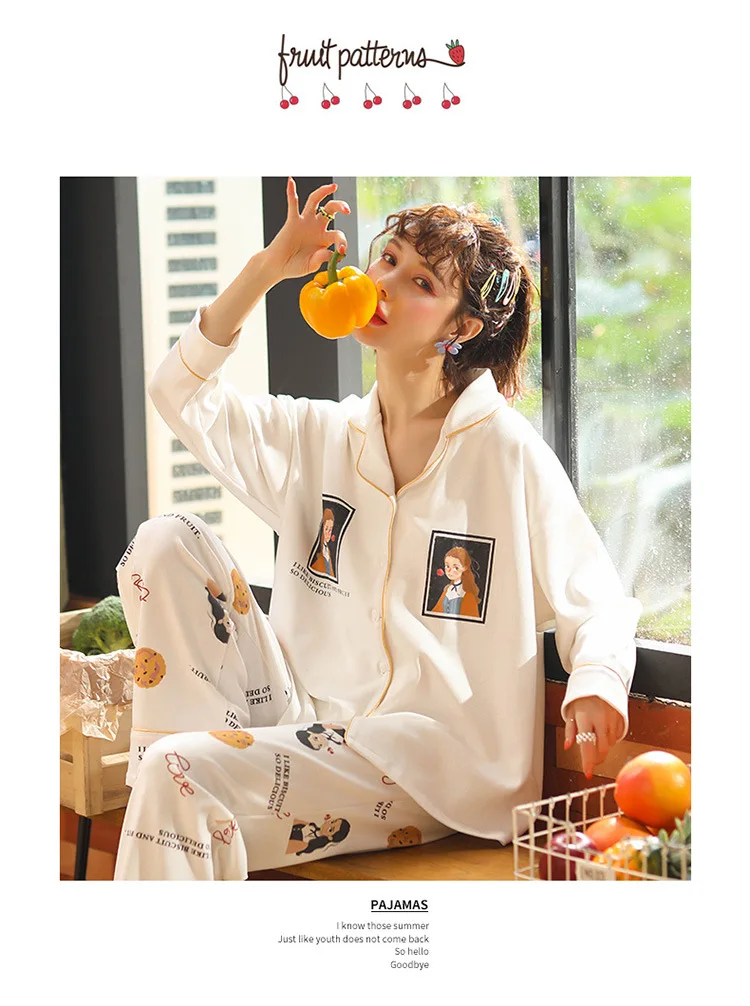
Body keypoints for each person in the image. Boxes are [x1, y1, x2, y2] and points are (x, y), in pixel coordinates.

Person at [113, 178, 641, 880]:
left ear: (461, 328)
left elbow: (595, 596)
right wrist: (268, 269)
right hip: (303, 726)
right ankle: (182, 798)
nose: (383, 284)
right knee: (164, 541)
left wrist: (597, 679)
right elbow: (178, 393)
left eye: (420, 281)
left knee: (176, 770)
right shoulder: (319, 437)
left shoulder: (505, 453)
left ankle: (177, 802)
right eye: (386, 260)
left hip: (431, 763)